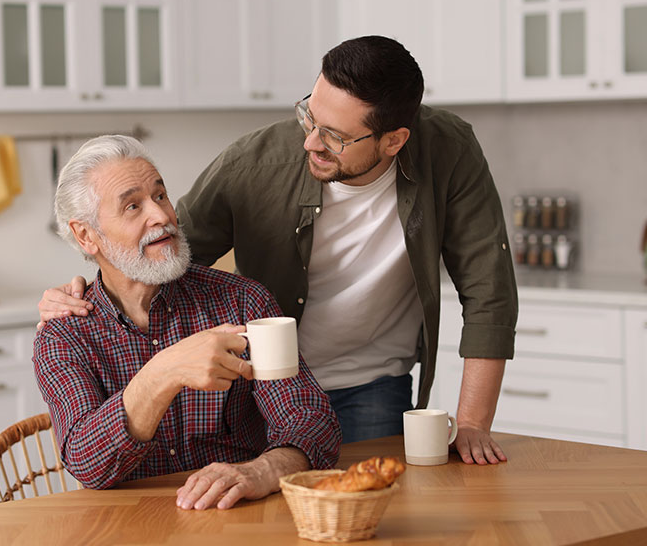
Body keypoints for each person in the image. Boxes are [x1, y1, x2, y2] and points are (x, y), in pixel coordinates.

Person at [37, 36, 518, 465]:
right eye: (310, 114)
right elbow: (163, 250)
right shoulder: (253, 164)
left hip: (371, 380)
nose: (311, 140)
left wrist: (472, 422)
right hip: (263, 388)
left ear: (393, 140)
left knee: (366, 516)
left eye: (334, 136)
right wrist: (82, 295)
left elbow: (488, 290)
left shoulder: (448, 151)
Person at [33, 134, 341, 511]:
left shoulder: (243, 300)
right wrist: (164, 372)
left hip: (240, 518)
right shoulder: (65, 334)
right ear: (86, 235)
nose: (161, 216)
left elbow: (311, 420)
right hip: (132, 528)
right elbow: (86, 462)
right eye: (132, 206)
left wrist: (263, 470)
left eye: (160, 196)